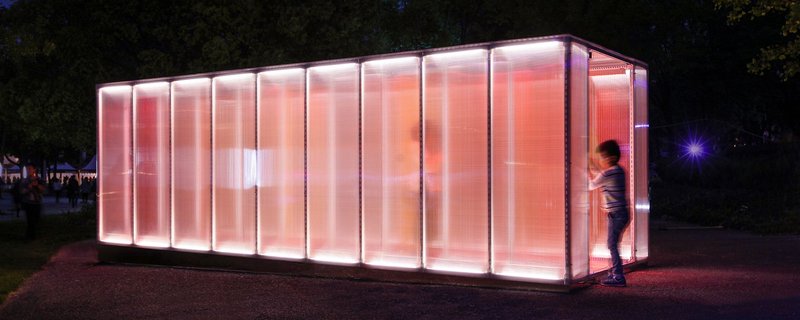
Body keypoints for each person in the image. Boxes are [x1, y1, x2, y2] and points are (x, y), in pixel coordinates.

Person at [589, 140, 630, 287]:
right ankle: (614, 273)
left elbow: (592, 184)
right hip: (620, 213)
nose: (601, 160)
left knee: (612, 245)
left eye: (602, 157)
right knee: (612, 244)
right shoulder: (618, 171)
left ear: (611, 157)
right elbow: (600, 177)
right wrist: (592, 167)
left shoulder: (609, 173)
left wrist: (583, 172)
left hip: (616, 214)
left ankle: (618, 276)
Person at [19, 165, 46, 240]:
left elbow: (44, 190)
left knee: (36, 220)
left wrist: (37, 185)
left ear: (34, 169)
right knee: (30, 220)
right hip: (28, 203)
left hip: (37, 203)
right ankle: (29, 237)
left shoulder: (39, 179)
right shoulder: (25, 180)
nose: (28, 170)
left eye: (30, 169)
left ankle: (32, 235)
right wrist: (29, 188)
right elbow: (21, 191)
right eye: (27, 169)